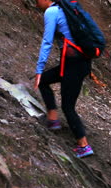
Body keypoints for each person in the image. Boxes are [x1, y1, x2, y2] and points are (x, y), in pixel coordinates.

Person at [33, 0, 93, 158]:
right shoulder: (64, 10)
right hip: (76, 64)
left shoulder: (52, 12)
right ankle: (53, 119)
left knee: (68, 106)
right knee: (44, 80)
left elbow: (47, 42)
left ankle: (84, 145)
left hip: (74, 65)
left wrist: (39, 69)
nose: (36, 2)